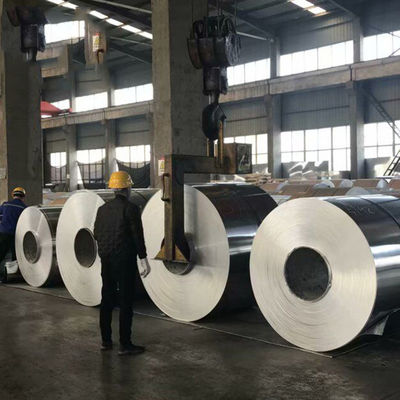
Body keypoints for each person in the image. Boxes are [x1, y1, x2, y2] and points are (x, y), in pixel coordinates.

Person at [94, 171, 151, 356]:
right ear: (127, 188)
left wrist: (105, 250)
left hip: (106, 260)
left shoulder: (102, 209)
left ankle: (106, 341)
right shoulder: (131, 208)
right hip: (125, 260)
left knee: (107, 299)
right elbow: (137, 235)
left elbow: (96, 233)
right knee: (126, 301)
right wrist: (143, 258)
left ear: (113, 189)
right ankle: (125, 344)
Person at [0, 187, 27, 283]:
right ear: (23, 197)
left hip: (3, 233)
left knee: (1, 255)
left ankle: (1, 277)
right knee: (15, 257)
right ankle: (13, 277)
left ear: (13, 195)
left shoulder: (5, 204)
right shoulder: (24, 208)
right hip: (16, 236)